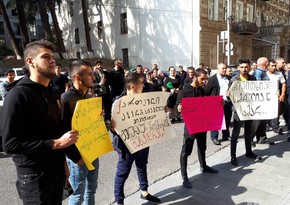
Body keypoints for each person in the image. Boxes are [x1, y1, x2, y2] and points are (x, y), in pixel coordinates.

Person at [2, 39, 81, 204]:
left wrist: (63, 165)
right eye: (46, 57)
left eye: (53, 56)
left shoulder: (51, 92)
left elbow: (54, 131)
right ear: (30, 61)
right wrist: (56, 144)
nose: (53, 61)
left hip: (56, 172)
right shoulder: (17, 95)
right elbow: (10, 145)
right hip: (34, 177)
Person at [111, 72, 161, 205]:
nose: (144, 85)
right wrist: (112, 127)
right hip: (126, 145)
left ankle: (144, 192)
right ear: (132, 86)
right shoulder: (118, 103)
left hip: (143, 140)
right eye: (141, 83)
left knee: (142, 166)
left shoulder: (144, 100)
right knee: (122, 173)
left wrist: (162, 111)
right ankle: (119, 201)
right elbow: (114, 128)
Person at [61, 60, 99, 205]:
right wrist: (76, 158)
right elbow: (64, 132)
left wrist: (98, 117)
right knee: (77, 195)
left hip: (93, 152)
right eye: (89, 74)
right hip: (78, 158)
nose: (93, 77)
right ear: (77, 77)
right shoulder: (66, 98)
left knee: (91, 190)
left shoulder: (88, 97)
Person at [177, 68, 218, 189]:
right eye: (202, 79)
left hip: (202, 125)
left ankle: (203, 166)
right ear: (195, 77)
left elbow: (207, 104)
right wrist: (180, 108)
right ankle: (184, 176)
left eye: (205, 79)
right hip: (190, 126)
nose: (204, 82)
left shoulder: (202, 90)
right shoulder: (184, 91)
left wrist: (219, 104)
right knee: (186, 151)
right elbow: (178, 106)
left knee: (202, 146)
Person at [229, 57, 261, 166]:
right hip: (238, 111)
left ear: (249, 67)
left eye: (246, 67)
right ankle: (233, 156)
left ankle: (249, 152)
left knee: (248, 132)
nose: (244, 69)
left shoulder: (252, 78)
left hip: (250, 110)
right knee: (235, 134)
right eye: (242, 67)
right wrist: (228, 96)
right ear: (238, 68)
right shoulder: (234, 80)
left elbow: (257, 93)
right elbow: (230, 98)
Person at [205, 63, 232, 145]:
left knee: (227, 120)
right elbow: (207, 91)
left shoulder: (228, 78)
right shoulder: (213, 79)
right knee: (215, 121)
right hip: (216, 103)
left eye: (225, 68)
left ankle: (226, 135)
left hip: (227, 102)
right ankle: (214, 137)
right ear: (218, 69)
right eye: (222, 68)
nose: (224, 70)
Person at [267, 59, 286, 135]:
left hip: (276, 97)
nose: (274, 67)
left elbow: (283, 83)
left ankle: (276, 127)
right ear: (268, 66)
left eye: (275, 65)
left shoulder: (279, 74)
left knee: (276, 112)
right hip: (266, 97)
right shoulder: (265, 74)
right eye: (272, 66)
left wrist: (282, 94)